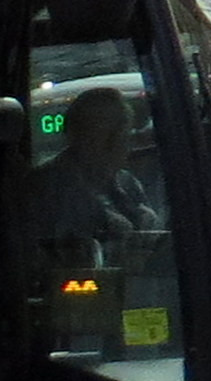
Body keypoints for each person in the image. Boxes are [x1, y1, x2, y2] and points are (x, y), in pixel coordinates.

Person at [37, 86, 163, 262]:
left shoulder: (127, 183)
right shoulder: (47, 186)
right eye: (108, 134)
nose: (122, 144)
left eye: (123, 131)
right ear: (75, 135)